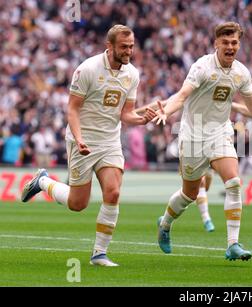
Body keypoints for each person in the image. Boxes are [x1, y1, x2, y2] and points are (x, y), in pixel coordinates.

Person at [151, 22, 252, 261]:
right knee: (189, 194)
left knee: (234, 183)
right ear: (216, 43)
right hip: (193, 136)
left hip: (220, 133)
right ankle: (165, 224)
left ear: (239, 44)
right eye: (225, 42)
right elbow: (182, 95)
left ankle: (233, 244)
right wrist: (167, 110)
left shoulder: (241, 73)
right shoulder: (202, 67)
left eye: (234, 42)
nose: (230, 47)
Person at [21, 25, 155, 267]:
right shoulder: (87, 69)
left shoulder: (132, 74)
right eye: (124, 47)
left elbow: (127, 114)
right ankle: (42, 181)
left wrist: (143, 118)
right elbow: (72, 108)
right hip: (82, 140)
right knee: (77, 204)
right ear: (110, 46)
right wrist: (79, 138)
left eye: (131, 46)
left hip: (110, 142)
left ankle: (99, 254)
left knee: (113, 192)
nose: (129, 51)